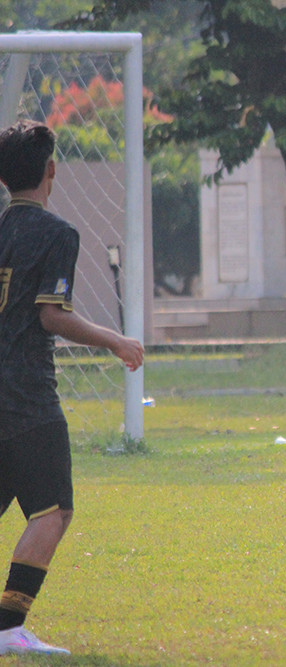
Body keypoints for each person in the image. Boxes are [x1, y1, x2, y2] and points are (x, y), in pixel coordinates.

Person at [0, 120, 145, 655]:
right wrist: (115, 340)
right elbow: (50, 316)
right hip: (26, 395)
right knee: (53, 511)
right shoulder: (57, 233)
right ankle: (8, 628)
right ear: (51, 171)